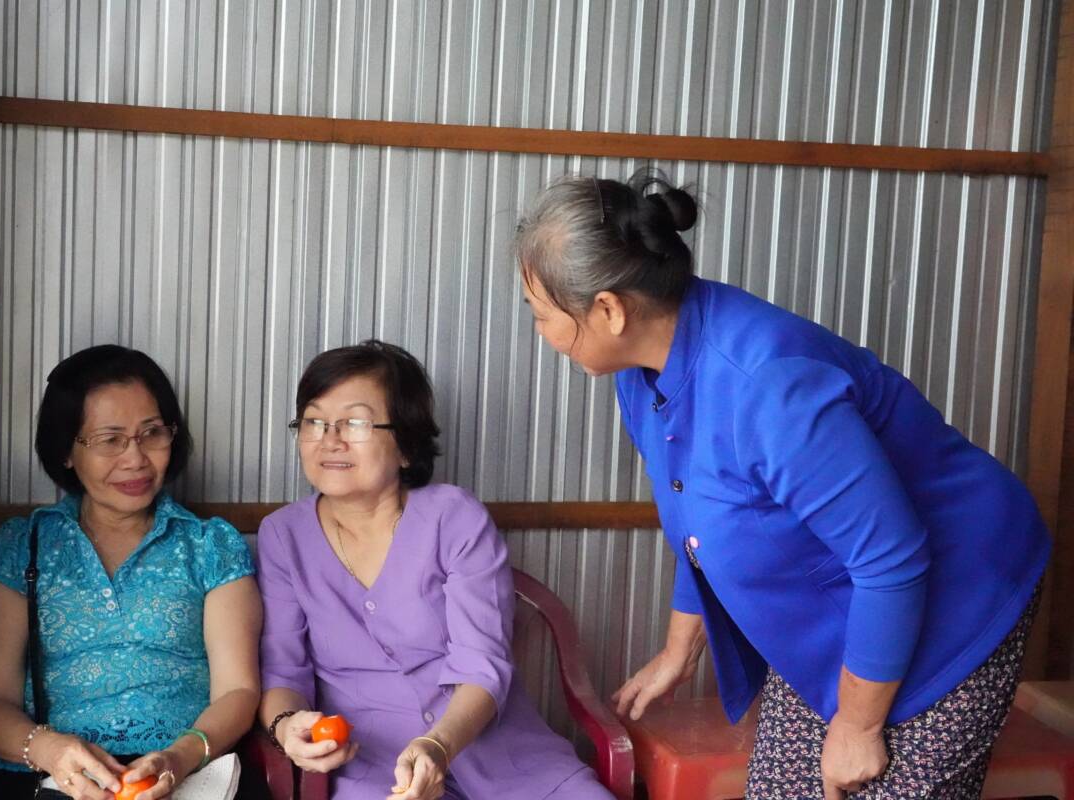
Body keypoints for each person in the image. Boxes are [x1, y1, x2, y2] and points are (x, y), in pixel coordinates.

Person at [513, 171, 1051, 799]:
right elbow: (696, 519)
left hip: (953, 588)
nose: (540, 333)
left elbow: (891, 558)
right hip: (839, 603)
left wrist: (857, 725)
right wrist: (681, 647)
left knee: (879, 780)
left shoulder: (768, 389)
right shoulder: (643, 371)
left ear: (609, 309)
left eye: (542, 314)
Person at [256, 340, 613, 800]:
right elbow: (284, 670)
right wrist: (287, 726)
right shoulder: (283, 536)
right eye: (314, 421)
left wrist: (437, 746)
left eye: (356, 423)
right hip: (374, 772)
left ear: (406, 446)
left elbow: (483, 664)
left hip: (507, 762)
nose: (330, 439)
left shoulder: (453, 517)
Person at [0, 345, 263, 800]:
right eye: (110, 440)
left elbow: (237, 690)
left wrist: (179, 757)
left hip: (186, 774)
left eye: (152, 433)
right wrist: (51, 751)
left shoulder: (210, 547)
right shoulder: (21, 547)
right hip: (50, 778)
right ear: (66, 451)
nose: (136, 459)